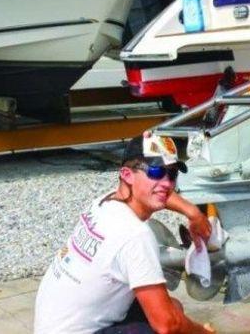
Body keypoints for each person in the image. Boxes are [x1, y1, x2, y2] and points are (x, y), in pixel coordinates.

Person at [34, 135, 216, 334]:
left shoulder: (105, 202)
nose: (166, 183)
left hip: (51, 326)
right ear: (127, 175)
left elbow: (157, 190)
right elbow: (167, 326)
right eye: (155, 171)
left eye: (171, 174)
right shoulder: (135, 235)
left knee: (174, 308)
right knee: (169, 322)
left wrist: (193, 213)